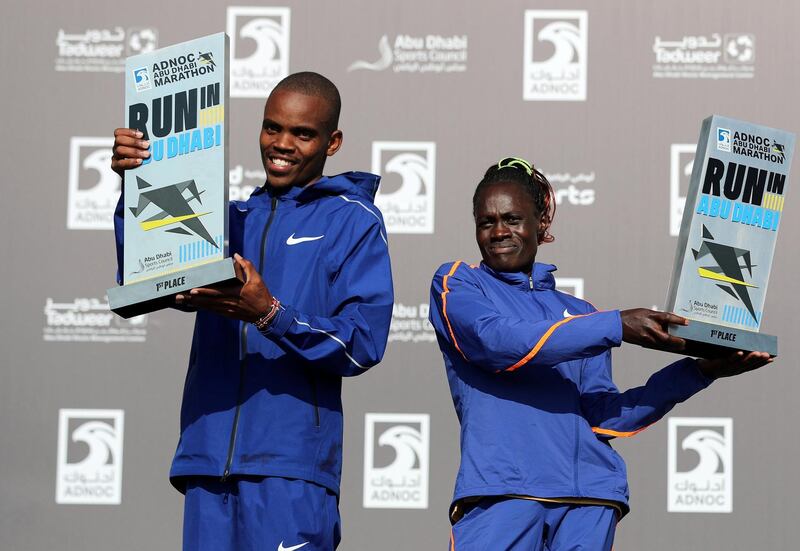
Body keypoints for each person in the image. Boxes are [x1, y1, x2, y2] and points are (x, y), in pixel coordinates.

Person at [111, 72, 393, 551]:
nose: (282, 144)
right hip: (207, 464)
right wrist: (138, 183)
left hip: (291, 472)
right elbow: (144, 283)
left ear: (333, 141)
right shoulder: (228, 219)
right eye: (271, 127)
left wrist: (271, 314)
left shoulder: (352, 220)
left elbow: (363, 343)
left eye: (303, 133)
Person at [428, 157, 771, 551]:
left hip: (590, 501)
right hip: (504, 495)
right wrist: (616, 326)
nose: (499, 232)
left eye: (512, 219)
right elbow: (497, 342)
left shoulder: (581, 314)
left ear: (541, 223)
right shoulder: (458, 282)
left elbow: (605, 420)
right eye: (486, 222)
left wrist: (699, 371)